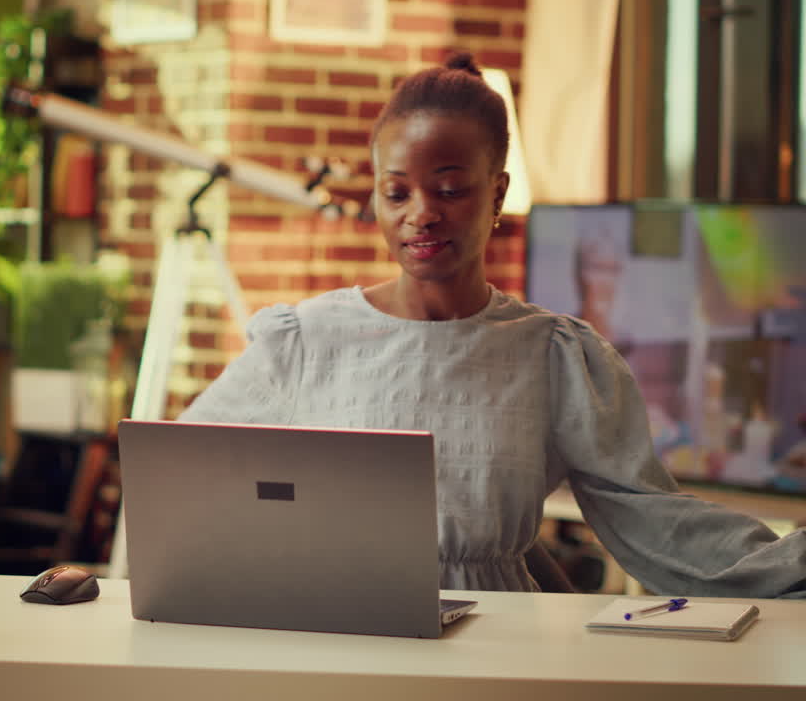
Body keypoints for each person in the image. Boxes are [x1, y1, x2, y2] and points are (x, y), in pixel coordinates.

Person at [178, 52, 806, 598]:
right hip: (330, 633)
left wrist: (791, 563)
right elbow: (179, 471)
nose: (420, 215)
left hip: (497, 645)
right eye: (397, 193)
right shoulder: (304, 342)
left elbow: (653, 518)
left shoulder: (554, 354)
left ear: (497, 193)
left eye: (449, 190)